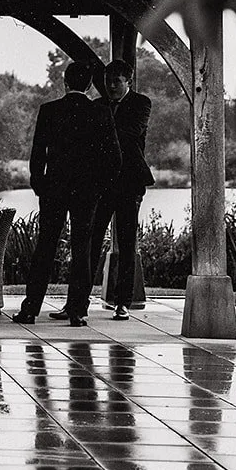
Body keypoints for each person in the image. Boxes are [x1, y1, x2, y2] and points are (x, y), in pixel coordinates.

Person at [13, 61, 120, 326]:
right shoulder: (100, 113)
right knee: (82, 248)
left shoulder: (49, 110)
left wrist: (40, 185)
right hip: (87, 191)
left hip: (54, 188)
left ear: (65, 83)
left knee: (45, 247)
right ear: (87, 85)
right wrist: (99, 186)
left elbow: (38, 153)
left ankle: (30, 309)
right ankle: (77, 311)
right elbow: (115, 159)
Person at [91, 58, 154, 320]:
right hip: (102, 182)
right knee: (92, 239)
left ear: (128, 82)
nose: (112, 86)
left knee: (127, 243)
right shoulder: (97, 106)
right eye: (108, 81)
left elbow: (131, 133)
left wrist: (101, 134)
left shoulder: (141, 103)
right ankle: (79, 300)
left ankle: (123, 302)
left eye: (117, 81)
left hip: (129, 181)